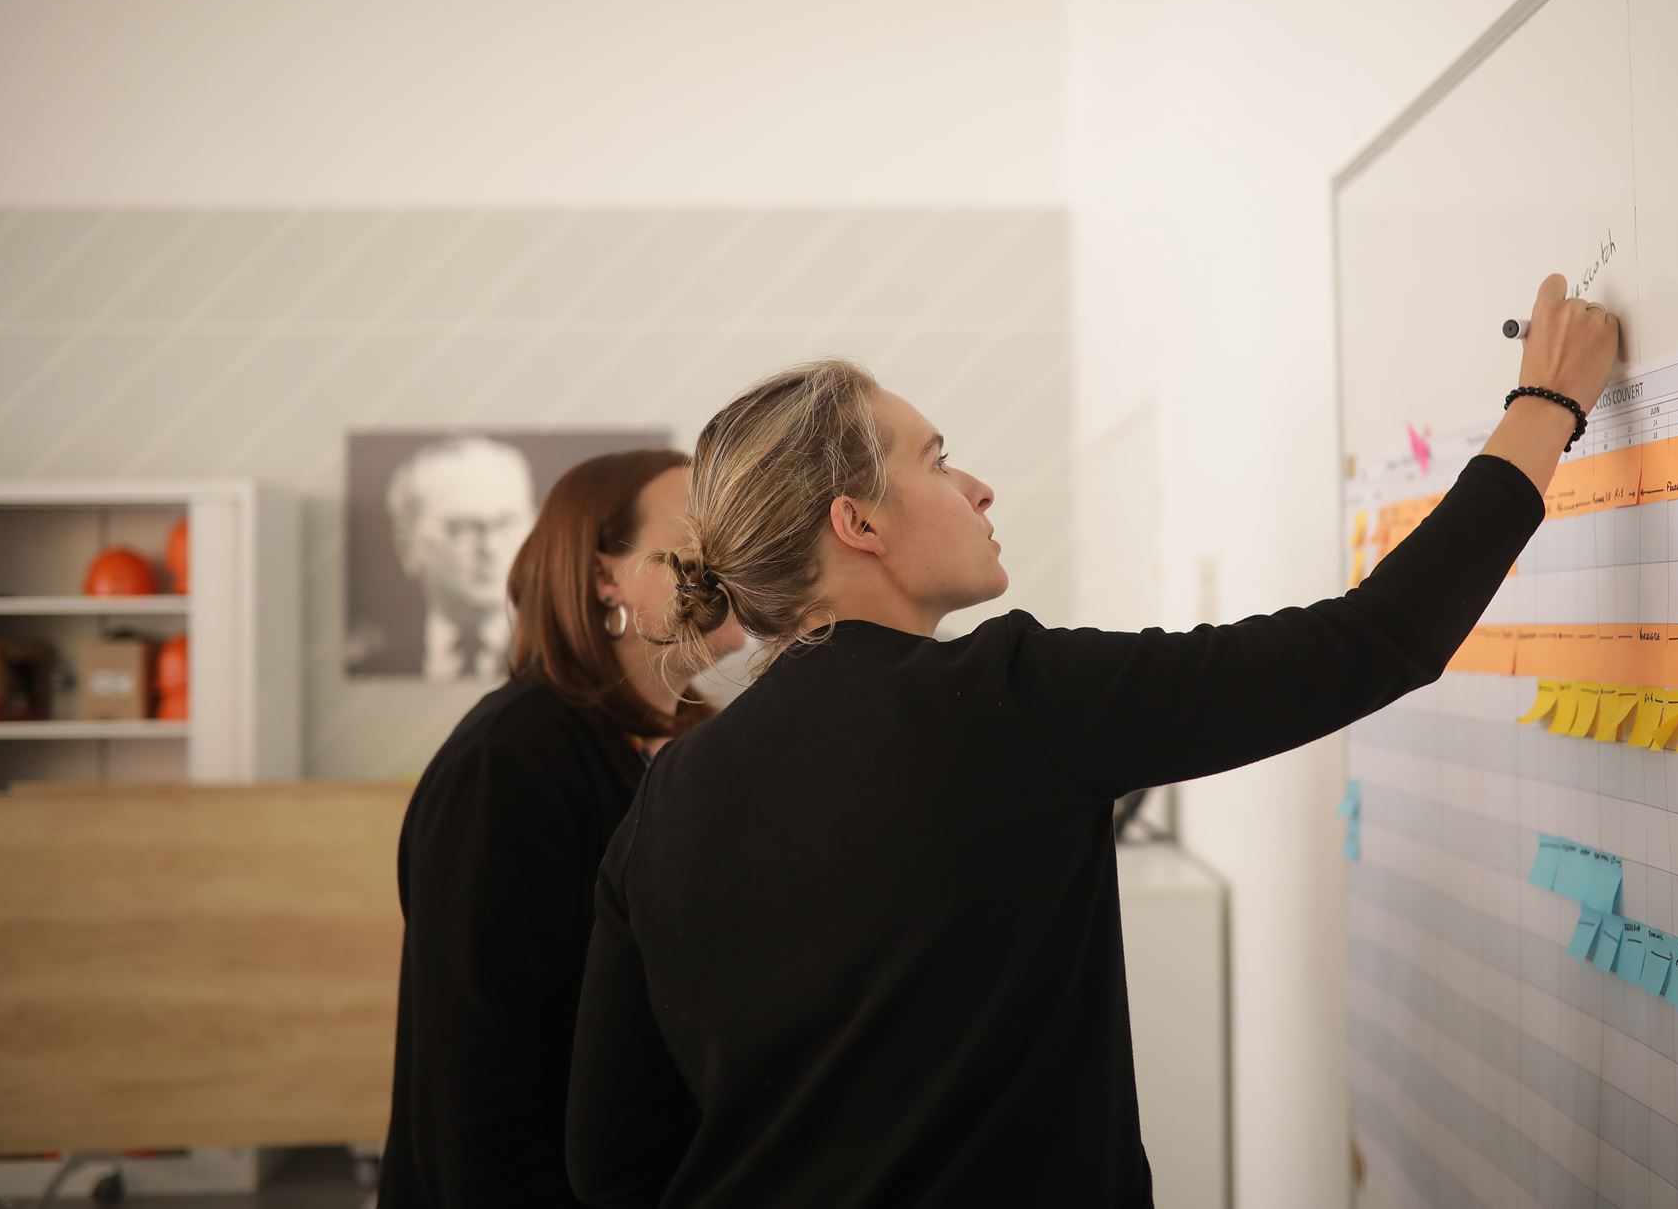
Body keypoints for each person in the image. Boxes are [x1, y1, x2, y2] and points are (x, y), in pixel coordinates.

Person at [564, 275, 1619, 1208]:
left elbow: (609, 1163)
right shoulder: (1007, 701)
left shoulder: (661, 801)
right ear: (859, 524)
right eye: (936, 459)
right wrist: (1544, 406)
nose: (975, 487)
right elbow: (1373, 641)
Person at [378, 448, 745, 1209]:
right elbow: (475, 1076)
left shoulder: (688, 753)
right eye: (694, 546)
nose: (726, 567)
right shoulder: (509, 760)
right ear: (603, 575)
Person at [385, 435, 536, 681]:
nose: (490, 549)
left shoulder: (574, 660)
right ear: (407, 545)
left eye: (506, 523)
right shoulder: (375, 656)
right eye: (462, 528)